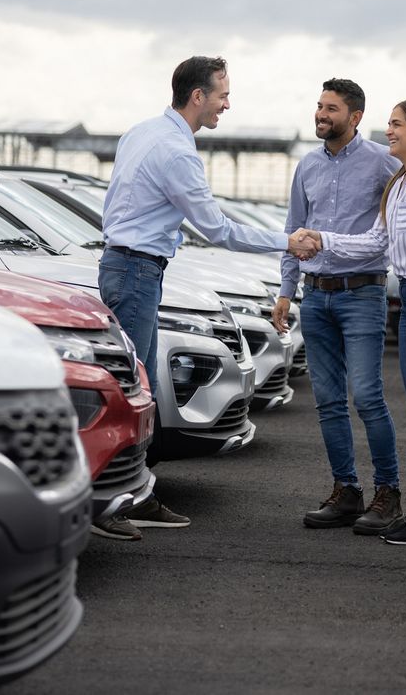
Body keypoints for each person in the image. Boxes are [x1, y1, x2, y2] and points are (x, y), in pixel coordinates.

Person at [98, 55, 317, 540]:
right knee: (132, 393)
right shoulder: (178, 152)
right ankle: (111, 502)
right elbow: (216, 228)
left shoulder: (139, 132)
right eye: (222, 94)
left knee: (141, 390)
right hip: (136, 271)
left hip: (126, 266)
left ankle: (136, 493)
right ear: (197, 96)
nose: (226, 103)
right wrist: (287, 240)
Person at [296, 99, 406, 546]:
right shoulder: (399, 184)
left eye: (396, 125)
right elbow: (373, 242)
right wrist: (321, 240)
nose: (389, 131)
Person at [274, 78, 403, 535]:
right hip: (316, 296)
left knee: (367, 397)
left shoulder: (383, 163)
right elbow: (294, 229)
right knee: (328, 402)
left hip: (363, 293)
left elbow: (399, 223)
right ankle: (346, 492)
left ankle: (388, 493)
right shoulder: (307, 165)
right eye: (319, 106)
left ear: (355, 117)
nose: (321, 115)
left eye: (331, 108)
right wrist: (286, 291)